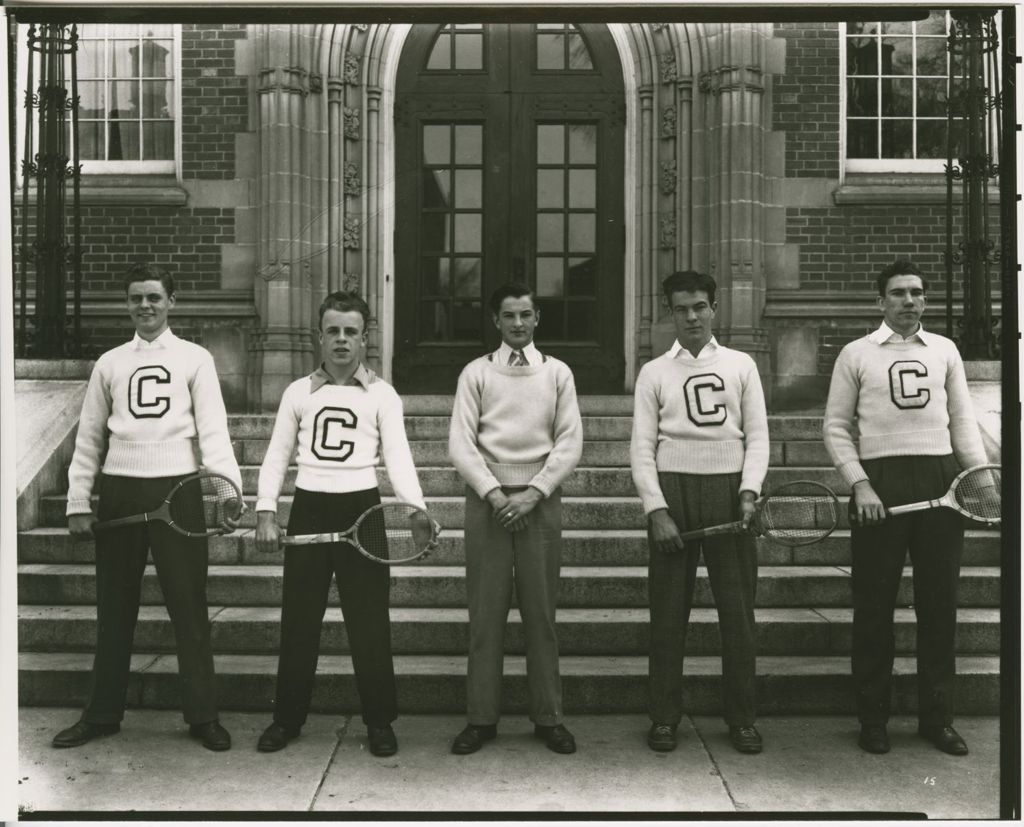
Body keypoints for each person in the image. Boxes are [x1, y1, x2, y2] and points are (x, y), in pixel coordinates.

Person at [53, 262, 243, 752]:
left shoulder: (195, 359)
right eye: (136, 298)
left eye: (154, 298)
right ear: (127, 303)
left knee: (189, 605)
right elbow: (90, 436)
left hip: (178, 492)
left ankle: (203, 716)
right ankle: (101, 714)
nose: (145, 306)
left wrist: (226, 492)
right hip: (120, 491)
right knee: (114, 607)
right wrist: (79, 499)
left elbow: (214, 431)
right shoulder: (109, 363)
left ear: (171, 303)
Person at [253, 291, 433, 757]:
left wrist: (416, 509)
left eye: (350, 331)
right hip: (310, 507)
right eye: (332, 330)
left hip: (364, 511)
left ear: (364, 338)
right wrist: (266, 512)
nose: (341, 340)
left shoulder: (382, 394)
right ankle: (286, 719)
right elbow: (276, 456)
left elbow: (398, 457)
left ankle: (379, 722)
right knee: (299, 621)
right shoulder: (298, 392)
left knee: (370, 622)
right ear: (319, 336)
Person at [823, 259, 989, 756]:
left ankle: (937, 719)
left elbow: (962, 421)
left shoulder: (945, 350)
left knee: (939, 608)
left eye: (916, 293)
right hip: (881, 488)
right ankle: (873, 720)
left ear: (925, 300)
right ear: (881, 302)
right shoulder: (856, 354)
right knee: (873, 610)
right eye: (897, 293)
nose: (909, 301)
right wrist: (861, 486)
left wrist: (980, 479)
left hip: (942, 482)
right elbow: (835, 427)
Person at [630, 270, 769, 755]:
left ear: (715, 308)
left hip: (730, 494)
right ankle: (664, 717)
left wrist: (749, 492)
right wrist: (657, 510)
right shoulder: (654, 372)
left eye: (700, 307)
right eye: (681, 308)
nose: (691, 317)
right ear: (670, 312)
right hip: (674, 494)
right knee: (668, 616)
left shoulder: (741, 365)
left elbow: (758, 436)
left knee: (738, 615)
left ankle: (743, 718)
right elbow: (642, 448)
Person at [447, 282, 583, 755]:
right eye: (509, 316)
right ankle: (481, 719)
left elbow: (569, 442)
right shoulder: (476, 373)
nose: (518, 324)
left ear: (537, 318)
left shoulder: (557, 374)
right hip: (488, 504)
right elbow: (461, 443)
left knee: (540, 614)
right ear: (496, 321)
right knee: (485, 615)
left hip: (539, 503)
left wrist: (533, 493)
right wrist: (493, 492)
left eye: (526, 315)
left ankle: (549, 717)